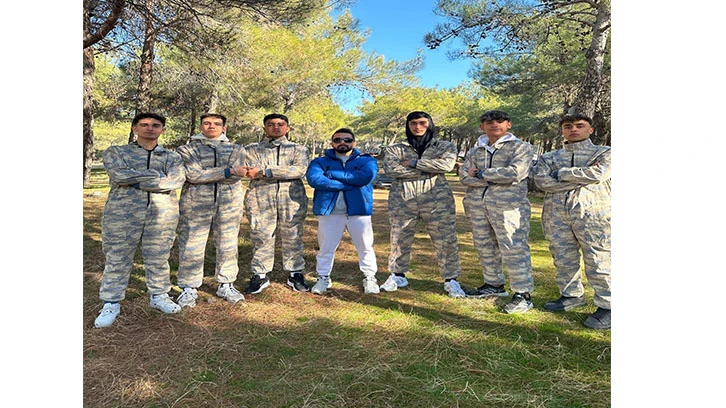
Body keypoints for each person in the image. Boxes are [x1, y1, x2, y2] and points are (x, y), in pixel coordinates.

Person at [94, 112, 186, 328]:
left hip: (162, 215)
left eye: (155, 125)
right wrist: (157, 178)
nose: (150, 128)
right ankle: (111, 302)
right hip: (122, 214)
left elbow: (176, 180)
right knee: (117, 257)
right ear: (134, 128)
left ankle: (159, 295)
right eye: (144, 124)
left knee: (159, 256)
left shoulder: (172, 157)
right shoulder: (117, 152)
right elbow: (119, 176)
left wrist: (135, 179)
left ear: (162, 130)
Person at [533, 113, 611, 329]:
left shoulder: (604, 152)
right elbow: (542, 182)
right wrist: (581, 178)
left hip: (593, 214)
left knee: (599, 258)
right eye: (568, 126)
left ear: (590, 129)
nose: (573, 129)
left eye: (579, 125)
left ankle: (608, 305)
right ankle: (571, 295)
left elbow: (599, 174)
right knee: (563, 257)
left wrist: (561, 173)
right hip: (556, 215)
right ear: (563, 131)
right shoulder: (549, 157)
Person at [380, 111, 466, 298]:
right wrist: (429, 169)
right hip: (403, 200)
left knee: (446, 239)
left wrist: (413, 163)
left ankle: (451, 279)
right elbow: (391, 170)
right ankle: (397, 275)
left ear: (430, 124)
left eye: (422, 123)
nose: (417, 127)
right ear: (408, 125)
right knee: (399, 238)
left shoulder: (444, 146)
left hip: (438, 201)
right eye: (413, 123)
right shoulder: (396, 148)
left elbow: (446, 166)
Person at [458, 110, 536, 314]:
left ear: (509, 124)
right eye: (489, 122)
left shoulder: (521, 147)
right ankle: (493, 284)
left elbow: (516, 173)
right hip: (478, 206)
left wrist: (481, 173)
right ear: (482, 126)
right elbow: (464, 176)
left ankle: (523, 294)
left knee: (514, 248)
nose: (494, 124)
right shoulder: (476, 150)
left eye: (500, 121)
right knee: (484, 246)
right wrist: (494, 178)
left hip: (508, 207)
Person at [175, 113, 248, 308]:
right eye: (206, 123)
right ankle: (189, 287)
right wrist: (228, 171)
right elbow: (193, 175)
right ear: (200, 127)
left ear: (224, 128)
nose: (211, 126)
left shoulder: (236, 149)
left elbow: (238, 175)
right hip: (196, 204)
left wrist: (224, 173)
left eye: (217, 124)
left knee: (228, 243)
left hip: (228, 203)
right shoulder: (187, 149)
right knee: (191, 244)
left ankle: (226, 284)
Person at [305, 128, 380, 294]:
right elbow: (315, 180)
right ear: (332, 143)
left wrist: (332, 174)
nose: (342, 143)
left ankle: (369, 277)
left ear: (354, 143)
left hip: (359, 210)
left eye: (347, 140)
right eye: (337, 140)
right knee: (326, 247)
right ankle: (323, 277)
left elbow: (364, 177)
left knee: (365, 246)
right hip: (330, 211)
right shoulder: (319, 162)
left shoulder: (366, 160)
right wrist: (347, 185)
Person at [241, 113, 310, 294]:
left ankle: (295, 273)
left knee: (293, 235)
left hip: (291, 198)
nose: (276, 127)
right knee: (261, 235)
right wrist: (279, 171)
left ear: (287, 128)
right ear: (264, 128)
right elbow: (250, 170)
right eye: (271, 124)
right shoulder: (251, 149)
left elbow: (299, 170)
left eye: (280, 124)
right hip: (260, 197)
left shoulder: (298, 149)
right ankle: (260, 274)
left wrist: (265, 172)